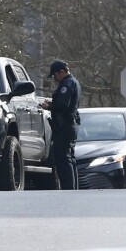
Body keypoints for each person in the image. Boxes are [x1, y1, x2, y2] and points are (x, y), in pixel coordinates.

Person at [41, 59, 81, 189]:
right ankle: (72, 188)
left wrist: (49, 106)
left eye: (55, 75)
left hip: (64, 126)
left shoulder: (67, 84)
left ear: (62, 72)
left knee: (63, 159)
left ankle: (68, 188)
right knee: (69, 158)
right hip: (68, 126)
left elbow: (63, 106)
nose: (55, 78)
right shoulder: (73, 82)